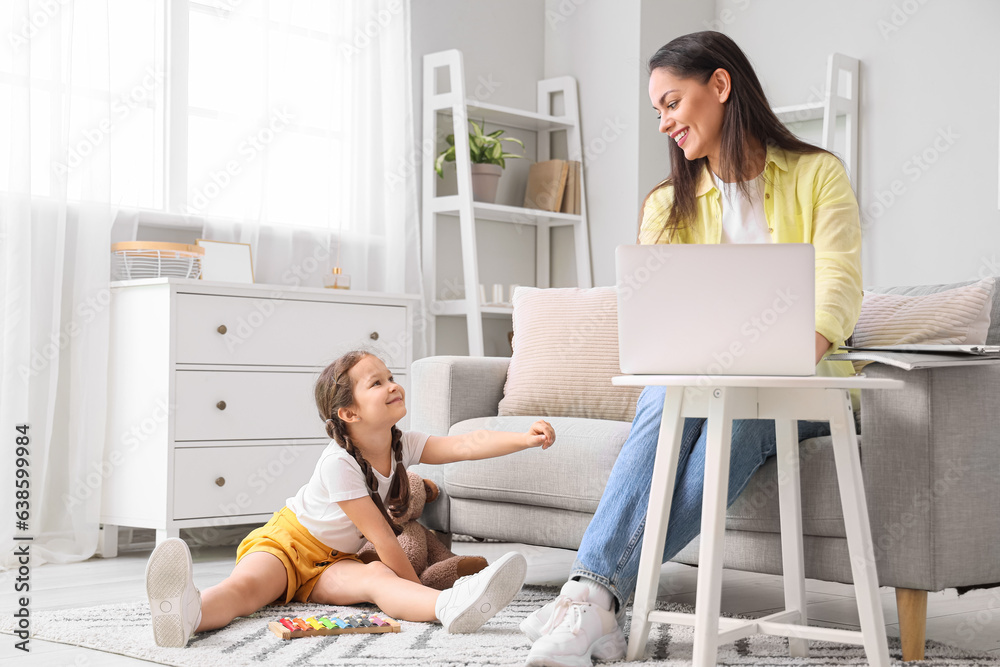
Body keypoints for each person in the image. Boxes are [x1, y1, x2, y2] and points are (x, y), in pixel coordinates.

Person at [522, 30, 863, 667]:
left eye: (671, 103)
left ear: (721, 85)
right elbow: (656, 319)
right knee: (666, 397)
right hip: (699, 383)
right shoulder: (666, 204)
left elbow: (838, 287)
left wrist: (785, 353)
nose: (664, 123)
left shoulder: (819, 174)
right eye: (657, 111)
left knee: (724, 413)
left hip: (802, 384)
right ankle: (594, 601)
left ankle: (589, 594)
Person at [144, 350, 555, 647]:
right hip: (287, 545)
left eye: (390, 376)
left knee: (376, 579)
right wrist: (412, 587)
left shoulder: (402, 444)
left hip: (335, 560)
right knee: (246, 590)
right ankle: (188, 613)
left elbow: (465, 444)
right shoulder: (337, 464)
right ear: (349, 414)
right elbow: (382, 538)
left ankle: (449, 607)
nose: (393, 385)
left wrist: (523, 437)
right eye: (376, 383)